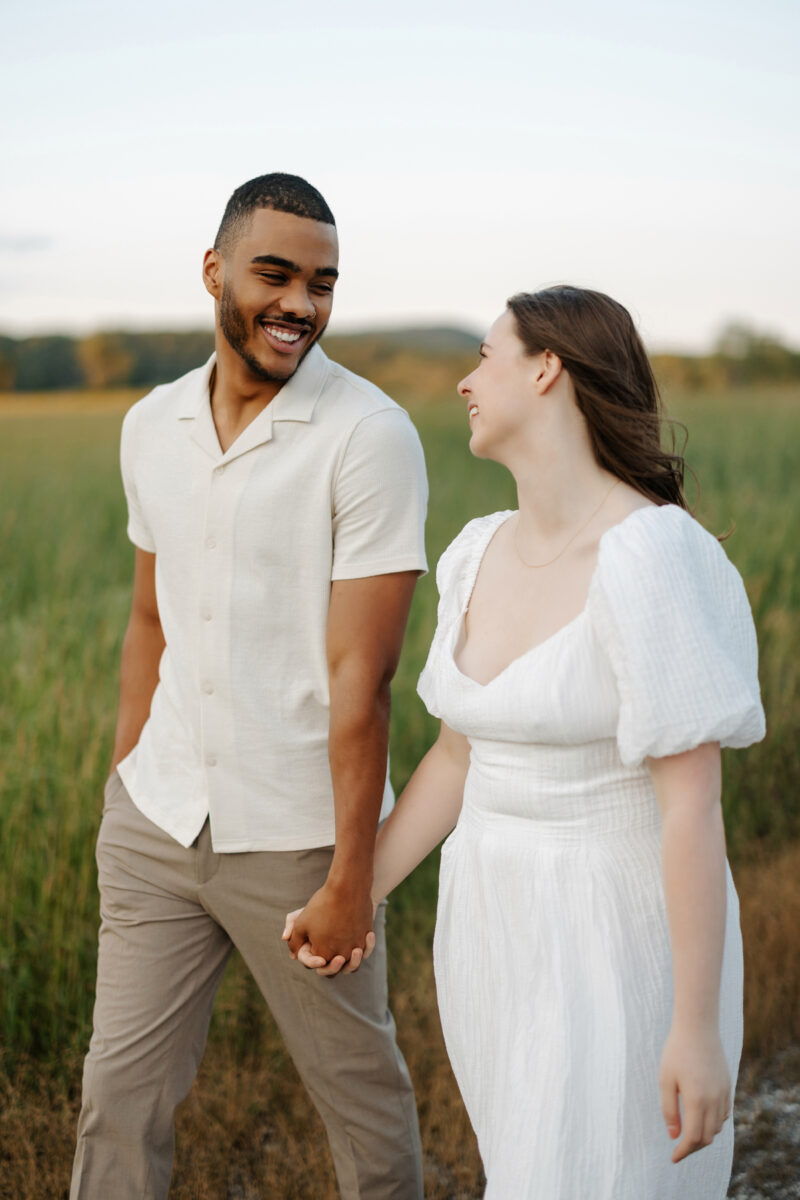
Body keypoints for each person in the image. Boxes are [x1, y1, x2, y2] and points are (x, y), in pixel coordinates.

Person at [286, 285, 766, 1199]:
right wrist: (358, 894)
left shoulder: (648, 555)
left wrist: (696, 1026)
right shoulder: (475, 551)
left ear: (547, 368)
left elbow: (692, 809)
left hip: (613, 933)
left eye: (484, 357)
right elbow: (459, 758)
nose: (465, 383)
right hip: (492, 928)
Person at [70, 173, 427, 1200]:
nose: (300, 305)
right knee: (117, 1099)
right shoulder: (150, 425)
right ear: (214, 271)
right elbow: (151, 618)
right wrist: (123, 778)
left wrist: (351, 877)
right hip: (157, 817)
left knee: (361, 1103)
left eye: (322, 283)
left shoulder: (368, 438)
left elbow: (363, 680)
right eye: (275, 275)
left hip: (299, 838)